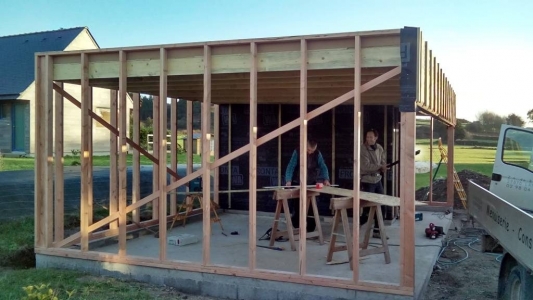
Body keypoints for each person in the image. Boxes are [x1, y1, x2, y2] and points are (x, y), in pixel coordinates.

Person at [285, 139, 331, 232]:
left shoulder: (317, 153)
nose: (310, 152)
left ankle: (310, 228)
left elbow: (323, 166)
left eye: (312, 151)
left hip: (311, 182)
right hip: (297, 182)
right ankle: (297, 227)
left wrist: (326, 179)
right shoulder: (297, 152)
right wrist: (288, 180)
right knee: (298, 206)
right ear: (305, 146)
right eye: (309, 150)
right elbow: (291, 166)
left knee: (311, 208)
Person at [360, 128, 388, 239]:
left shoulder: (380, 148)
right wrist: (380, 167)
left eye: (371, 137)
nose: (369, 139)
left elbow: (383, 161)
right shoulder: (363, 149)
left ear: (376, 138)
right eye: (367, 137)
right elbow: (365, 167)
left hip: (377, 180)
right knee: (367, 208)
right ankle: (358, 226)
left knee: (382, 205)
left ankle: (377, 231)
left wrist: (384, 167)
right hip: (367, 181)